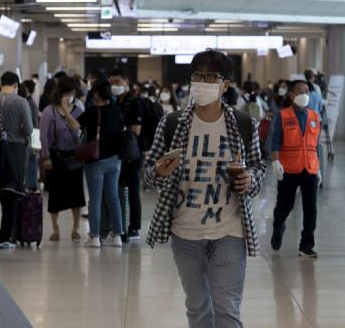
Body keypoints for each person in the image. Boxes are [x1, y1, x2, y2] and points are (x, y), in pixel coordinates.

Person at [144, 49, 265, 328]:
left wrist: (250, 179)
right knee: (197, 308)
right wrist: (160, 172)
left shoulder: (243, 124)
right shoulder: (172, 124)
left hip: (229, 232)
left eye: (211, 77)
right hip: (185, 233)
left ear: (225, 85)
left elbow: (258, 167)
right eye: (198, 76)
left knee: (227, 309)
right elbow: (149, 175)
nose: (202, 82)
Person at [270, 80, 321, 258]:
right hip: (289, 169)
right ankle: (278, 226)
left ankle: (306, 245)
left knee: (310, 208)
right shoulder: (283, 115)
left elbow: (315, 144)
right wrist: (275, 162)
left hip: (310, 169)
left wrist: (319, 169)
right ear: (292, 95)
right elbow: (275, 140)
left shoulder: (314, 116)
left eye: (307, 91)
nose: (305, 94)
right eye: (301, 91)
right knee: (285, 205)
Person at [78, 80, 125, 248]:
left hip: (96, 161)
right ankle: (118, 236)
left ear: (97, 94)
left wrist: (64, 111)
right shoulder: (117, 110)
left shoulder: (92, 112)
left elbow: (75, 124)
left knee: (95, 199)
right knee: (113, 197)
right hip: (115, 160)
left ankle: (95, 237)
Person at [40, 76, 86, 242]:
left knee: (76, 193)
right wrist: (45, 156)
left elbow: (80, 131)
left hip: (74, 156)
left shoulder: (78, 111)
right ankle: (55, 229)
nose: (70, 96)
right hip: (55, 156)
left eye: (72, 93)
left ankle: (76, 228)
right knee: (55, 194)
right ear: (59, 93)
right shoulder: (49, 111)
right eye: (67, 93)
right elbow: (43, 136)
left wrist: (66, 112)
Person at [0, 72, 34, 248]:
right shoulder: (21, 102)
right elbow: (29, 129)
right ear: (15, 85)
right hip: (15, 150)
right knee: (11, 195)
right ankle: (6, 236)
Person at [109, 70, 143, 241]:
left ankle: (134, 227)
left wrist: (120, 132)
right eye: (112, 82)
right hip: (119, 153)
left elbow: (136, 130)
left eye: (117, 81)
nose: (114, 85)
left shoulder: (134, 102)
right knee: (119, 189)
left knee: (133, 190)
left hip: (133, 153)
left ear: (126, 83)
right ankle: (120, 225)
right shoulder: (117, 102)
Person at [21, 79, 40, 192]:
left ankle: (31, 186)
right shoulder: (31, 102)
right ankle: (31, 185)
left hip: (31, 135)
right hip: (34, 135)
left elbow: (31, 122)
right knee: (32, 161)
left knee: (30, 161)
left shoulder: (28, 103)